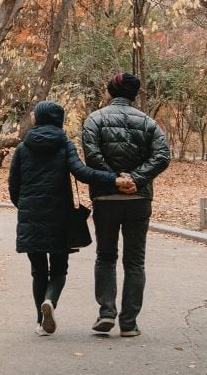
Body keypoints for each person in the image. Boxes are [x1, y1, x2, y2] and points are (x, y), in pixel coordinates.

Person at [8, 101, 127, 336]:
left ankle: (40, 321)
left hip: (31, 213)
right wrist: (113, 178)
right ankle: (50, 301)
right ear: (58, 120)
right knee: (59, 269)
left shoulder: (23, 147)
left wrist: (23, 206)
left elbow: (14, 184)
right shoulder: (64, 144)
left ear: (39, 119)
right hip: (59, 214)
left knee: (38, 270)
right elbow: (82, 173)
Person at [81, 73, 171, 338]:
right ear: (134, 95)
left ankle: (106, 312)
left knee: (105, 256)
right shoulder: (149, 123)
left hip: (105, 198)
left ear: (110, 92)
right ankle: (129, 323)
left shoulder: (94, 119)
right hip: (138, 199)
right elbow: (162, 156)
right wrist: (136, 178)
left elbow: (92, 155)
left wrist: (115, 180)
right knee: (135, 261)